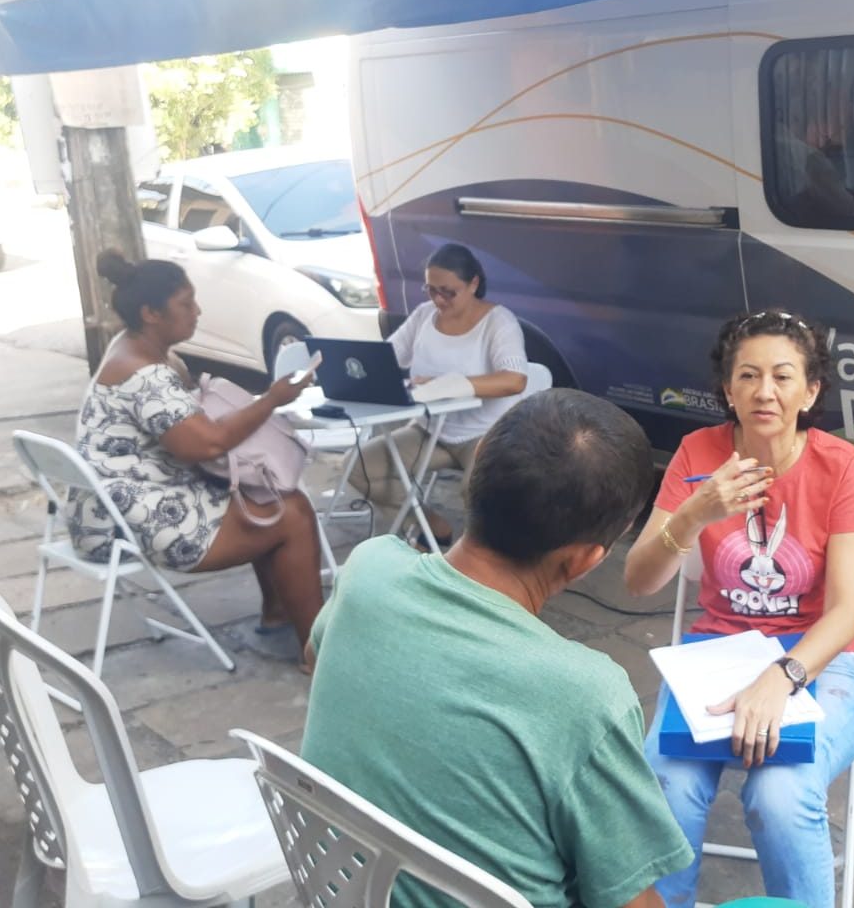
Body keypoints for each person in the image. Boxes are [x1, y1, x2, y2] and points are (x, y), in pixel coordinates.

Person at [302, 389, 692, 908]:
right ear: (586, 560)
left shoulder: (369, 568)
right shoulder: (583, 694)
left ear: (475, 474)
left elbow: (315, 658)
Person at [624, 309, 854, 908]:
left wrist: (782, 677)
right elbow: (639, 582)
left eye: (784, 376)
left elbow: (847, 613)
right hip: (717, 656)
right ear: (727, 388)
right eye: (748, 375)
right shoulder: (697, 454)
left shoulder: (839, 465)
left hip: (825, 661)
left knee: (781, 796)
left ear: (810, 390)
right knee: (663, 783)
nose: (765, 391)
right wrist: (694, 514)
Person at [68, 251, 323, 662]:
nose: (197, 311)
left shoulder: (129, 346)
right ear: (151, 313)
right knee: (290, 512)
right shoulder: (144, 374)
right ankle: (317, 653)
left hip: (100, 512)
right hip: (131, 523)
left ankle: (278, 612)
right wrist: (273, 398)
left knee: (255, 491)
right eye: (185, 304)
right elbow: (206, 445)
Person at [345, 242, 528, 548]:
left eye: (448, 291)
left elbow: (514, 379)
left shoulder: (499, 322)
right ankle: (428, 525)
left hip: (486, 432)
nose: (438, 299)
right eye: (431, 290)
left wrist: (449, 384)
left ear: (473, 284)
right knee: (360, 467)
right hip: (431, 430)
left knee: (478, 490)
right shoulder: (424, 315)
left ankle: (480, 560)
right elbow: (387, 359)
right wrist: (349, 368)